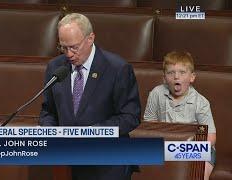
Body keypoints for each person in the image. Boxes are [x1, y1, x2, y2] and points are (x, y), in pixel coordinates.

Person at [39, 13, 141, 180]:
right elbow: (48, 111)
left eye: (74, 47)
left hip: (107, 164)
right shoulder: (55, 67)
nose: (69, 54)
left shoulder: (117, 68)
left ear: (90, 38)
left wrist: (95, 132)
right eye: (63, 48)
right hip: (67, 164)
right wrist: (49, 130)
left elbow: (130, 116)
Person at [143, 51, 216, 180]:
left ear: (192, 77)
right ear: (164, 78)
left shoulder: (201, 102)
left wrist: (184, 149)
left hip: (194, 147)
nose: (176, 77)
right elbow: (148, 127)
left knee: (200, 166)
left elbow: (210, 137)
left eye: (182, 72)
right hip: (164, 145)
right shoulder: (156, 93)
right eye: (171, 73)